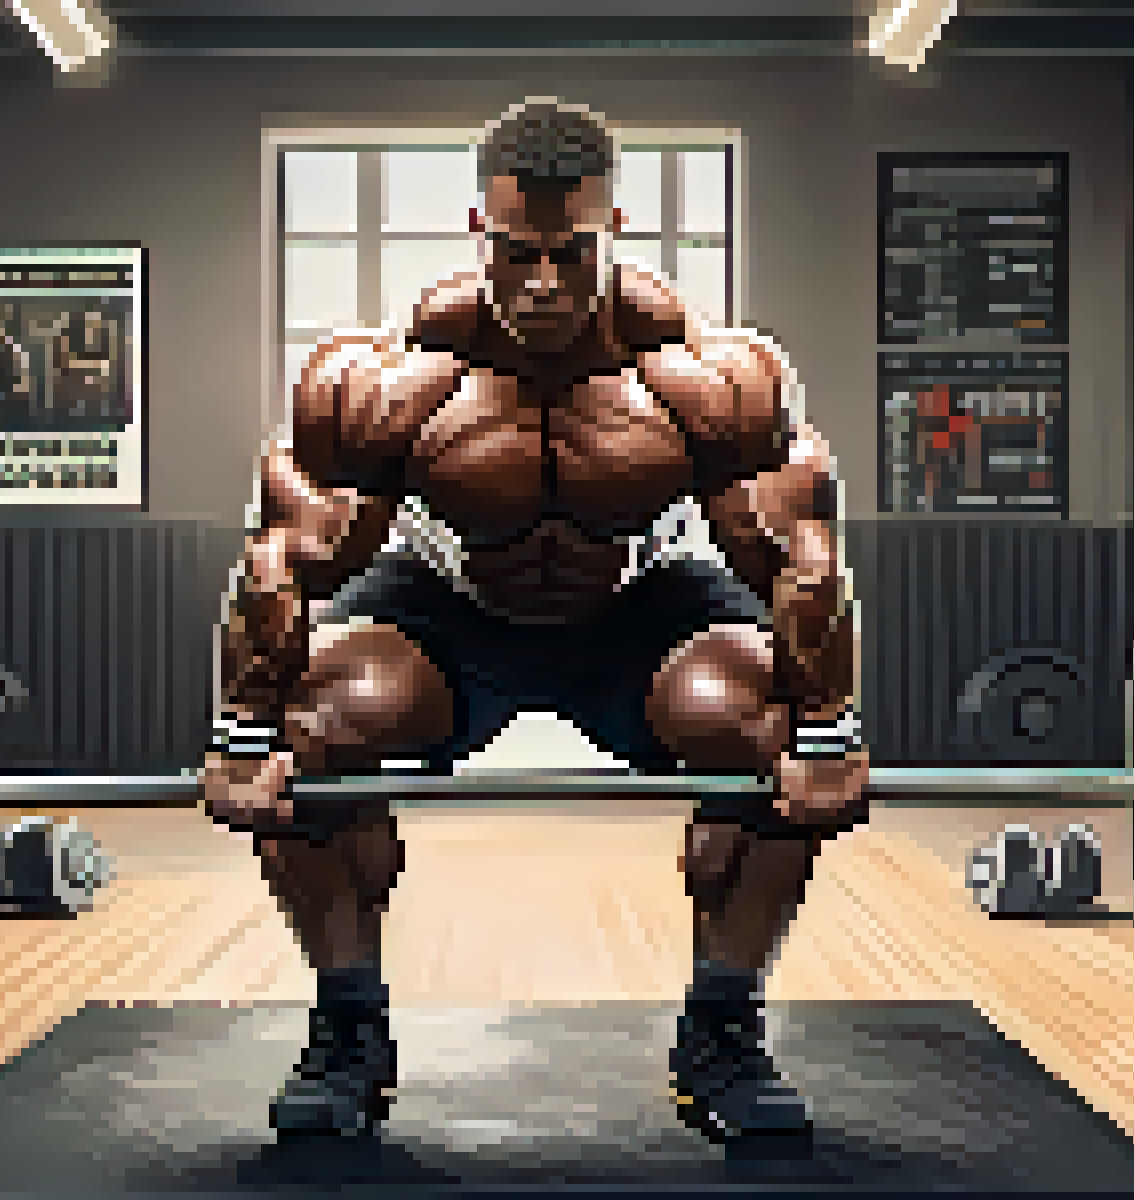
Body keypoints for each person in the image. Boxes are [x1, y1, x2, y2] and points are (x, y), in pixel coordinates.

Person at [202, 99, 866, 1148]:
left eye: (571, 252)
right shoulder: (388, 380)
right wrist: (244, 740)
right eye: (518, 254)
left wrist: (827, 736)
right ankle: (348, 1030)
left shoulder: (706, 375)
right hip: (447, 609)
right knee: (312, 731)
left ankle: (723, 1033)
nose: (544, 283)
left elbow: (798, 551)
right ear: (479, 232)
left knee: (766, 729)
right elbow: (287, 552)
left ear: (616, 228)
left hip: (638, 611)